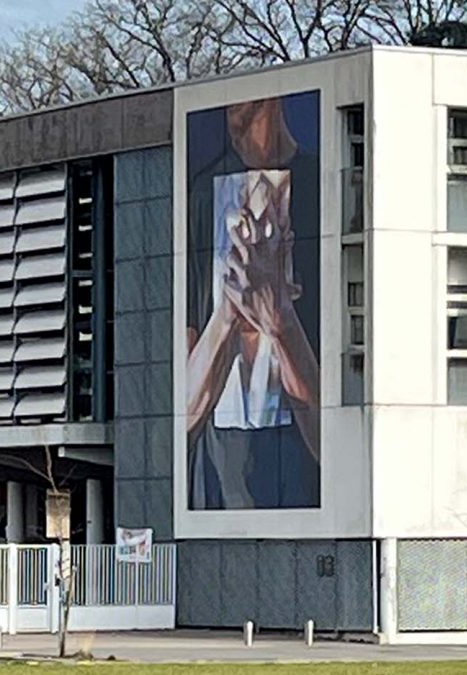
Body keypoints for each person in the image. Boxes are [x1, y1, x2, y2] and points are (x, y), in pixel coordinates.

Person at [186, 95, 320, 509]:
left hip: (298, 476)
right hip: (217, 472)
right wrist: (227, 311)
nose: (236, 123)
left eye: (249, 110)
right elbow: (182, 415)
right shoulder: (204, 196)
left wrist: (279, 320)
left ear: (276, 103)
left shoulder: (320, 187)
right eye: (230, 111)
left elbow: (337, 447)